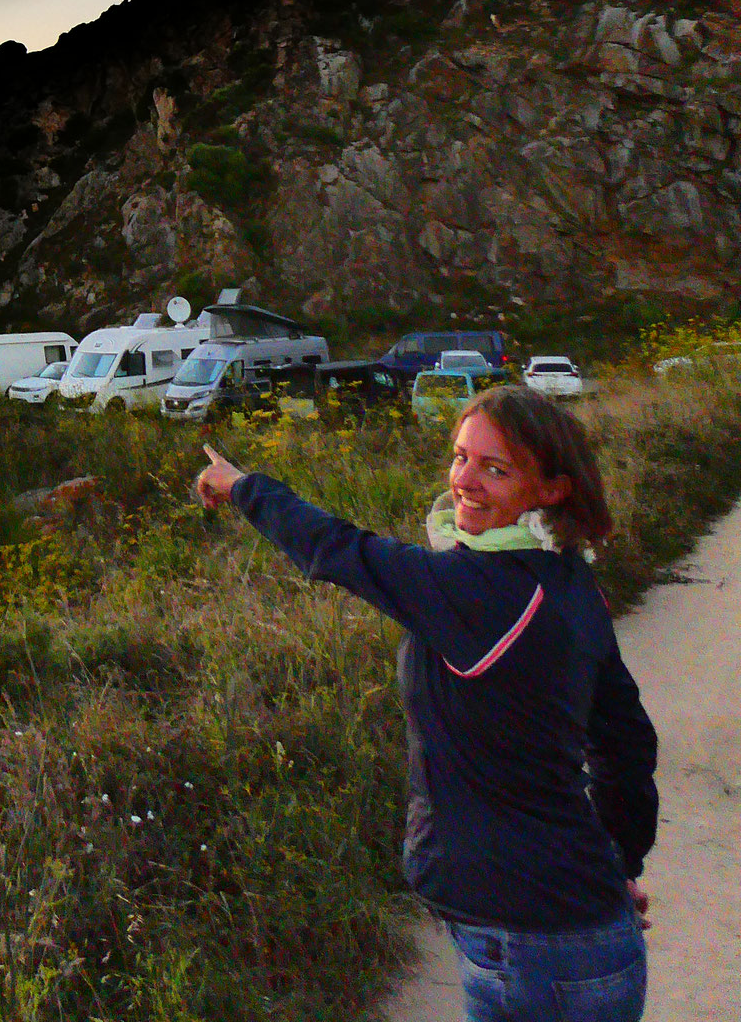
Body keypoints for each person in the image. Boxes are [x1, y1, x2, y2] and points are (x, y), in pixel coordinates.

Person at [196, 386, 657, 1022]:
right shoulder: (566, 578)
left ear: (553, 489)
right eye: (461, 457)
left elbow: (340, 549)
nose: (466, 480)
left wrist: (243, 487)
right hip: (564, 942)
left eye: (496, 468)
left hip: (536, 958)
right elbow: (626, 740)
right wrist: (616, 866)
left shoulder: (482, 589)